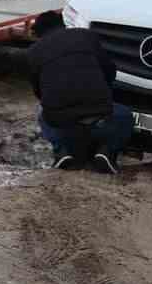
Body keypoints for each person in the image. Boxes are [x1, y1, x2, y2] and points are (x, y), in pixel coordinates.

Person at [27, 11, 134, 174]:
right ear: (62, 24)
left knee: (43, 114)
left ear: (39, 32)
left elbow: (39, 93)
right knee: (125, 115)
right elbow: (110, 71)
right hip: (101, 119)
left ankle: (61, 151)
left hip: (64, 126)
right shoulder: (86, 36)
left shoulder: (34, 52)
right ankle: (106, 151)